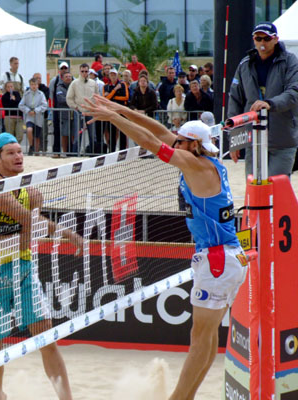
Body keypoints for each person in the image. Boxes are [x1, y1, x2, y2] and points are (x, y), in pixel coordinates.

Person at [83, 95, 246, 400]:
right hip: (224, 257)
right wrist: (120, 109)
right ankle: (188, 396)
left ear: (193, 145)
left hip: (218, 260)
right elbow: (158, 130)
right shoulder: (202, 157)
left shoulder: (194, 165)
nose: (176, 143)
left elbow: (152, 143)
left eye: (181, 141)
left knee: (200, 338)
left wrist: (114, 119)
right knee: (206, 338)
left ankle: (177, 398)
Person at [0, 132, 81, 400]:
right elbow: (28, 221)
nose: (18, 156)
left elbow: (34, 227)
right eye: (10, 152)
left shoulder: (31, 190)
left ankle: (66, 398)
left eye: (20, 151)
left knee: (46, 338)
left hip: (22, 267)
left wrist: (67, 233)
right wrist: (27, 229)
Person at [228, 21, 298, 178]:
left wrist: (270, 104)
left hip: (282, 139)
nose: (262, 42)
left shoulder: (290, 61)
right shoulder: (245, 65)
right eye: (258, 38)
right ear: (253, 40)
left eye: (266, 38)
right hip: (254, 139)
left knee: (277, 188)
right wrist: (234, 140)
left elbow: (294, 92)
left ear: (275, 39)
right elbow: (235, 100)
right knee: (254, 190)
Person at [67, 63, 101, 154]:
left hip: (90, 112)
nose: (84, 73)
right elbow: (69, 98)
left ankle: (93, 154)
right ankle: (75, 155)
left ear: (88, 72)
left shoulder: (93, 83)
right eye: (82, 71)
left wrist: (95, 107)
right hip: (79, 112)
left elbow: (98, 97)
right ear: (79, 71)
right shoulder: (74, 83)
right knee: (78, 134)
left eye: (86, 71)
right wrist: (76, 107)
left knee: (92, 135)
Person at [19, 77, 47, 155]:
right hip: (29, 116)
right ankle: (31, 145)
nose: (33, 86)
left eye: (35, 84)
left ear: (37, 85)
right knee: (29, 130)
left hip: (38, 116)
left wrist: (36, 110)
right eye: (32, 84)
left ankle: (36, 151)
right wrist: (28, 110)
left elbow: (44, 105)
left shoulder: (41, 94)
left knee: (37, 136)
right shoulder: (26, 94)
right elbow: (21, 105)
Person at [48, 61, 70, 154]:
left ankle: (69, 151)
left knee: (69, 132)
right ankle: (56, 151)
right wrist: (52, 110)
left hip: (70, 110)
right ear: (59, 70)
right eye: (62, 68)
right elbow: (51, 96)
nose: (64, 70)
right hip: (57, 109)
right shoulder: (54, 80)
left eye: (65, 68)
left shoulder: (72, 79)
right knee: (57, 131)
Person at [55, 71, 76, 156]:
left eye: (69, 76)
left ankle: (73, 152)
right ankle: (64, 152)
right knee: (65, 134)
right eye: (66, 76)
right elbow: (60, 99)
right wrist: (71, 100)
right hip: (64, 114)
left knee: (74, 134)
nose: (68, 78)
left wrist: (70, 100)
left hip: (74, 114)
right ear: (62, 78)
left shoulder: (75, 86)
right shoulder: (59, 87)